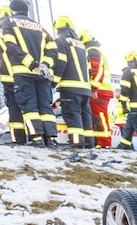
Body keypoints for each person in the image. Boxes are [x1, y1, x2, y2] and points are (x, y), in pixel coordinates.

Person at [1, 0, 58, 147]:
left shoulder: (9, 22)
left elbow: (10, 45)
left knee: (29, 106)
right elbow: (53, 48)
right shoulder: (39, 26)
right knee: (45, 107)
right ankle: (50, 138)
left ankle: (37, 138)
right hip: (42, 74)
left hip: (23, 71)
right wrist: (44, 65)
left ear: (12, 10)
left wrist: (30, 63)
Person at [52, 16, 93, 149]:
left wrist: (53, 82)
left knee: (72, 115)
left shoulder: (61, 41)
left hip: (70, 87)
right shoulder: (81, 45)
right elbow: (89, 69)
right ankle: (88, 143)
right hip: (85, 88)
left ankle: (76, 143)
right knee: (85, 117)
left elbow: (60, 63)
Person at [0, 5, 25, 145]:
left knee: (13, 107)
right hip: (22, 72)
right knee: (29, 106)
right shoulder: (17, 27)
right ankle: (37, 136)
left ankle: (18, 138)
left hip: (7, 74)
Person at [80, 30, 113, 148]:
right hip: (101, 89)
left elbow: (96, 70)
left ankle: (104, 143)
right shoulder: (94, 50)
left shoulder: (92, 51)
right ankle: (99, 142)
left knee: (99, 116)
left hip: (100, 90)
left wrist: (94, 88)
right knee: (96, 116)